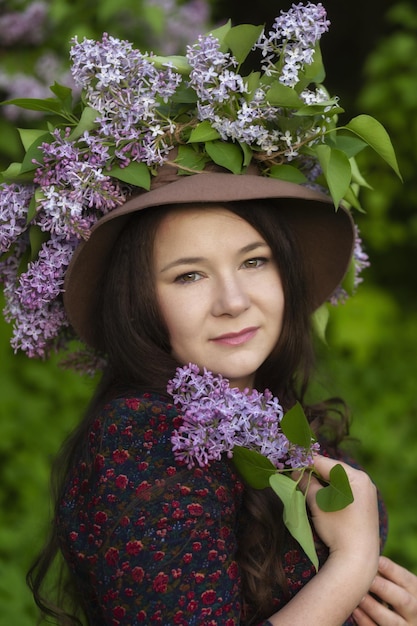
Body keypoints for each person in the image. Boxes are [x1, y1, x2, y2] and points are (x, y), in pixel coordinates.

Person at [1, 3, 416, 625]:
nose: (232, 300)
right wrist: (353, 561)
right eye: (189, 275)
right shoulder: (142, 445)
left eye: (254, 261)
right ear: (140, 298)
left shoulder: (284, 426)